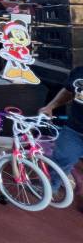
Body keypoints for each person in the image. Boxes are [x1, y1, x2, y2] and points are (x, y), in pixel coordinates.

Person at [39, 68, 83, 197]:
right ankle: (50, 188)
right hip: (74, 130)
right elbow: (69, 91)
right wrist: (51, 106)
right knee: (61, 159)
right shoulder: (79, 72)